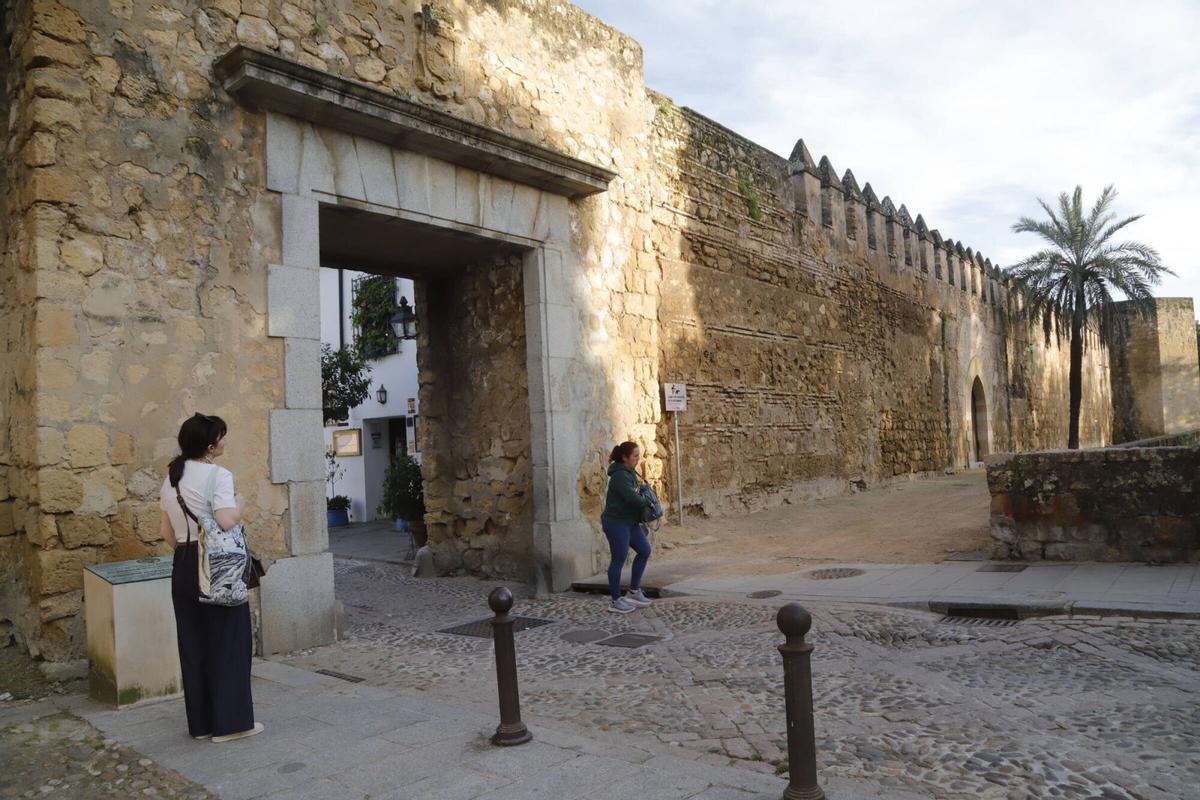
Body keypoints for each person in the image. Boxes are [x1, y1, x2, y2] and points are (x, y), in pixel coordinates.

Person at [158, 413, 262, 743]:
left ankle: (201, 725)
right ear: (209, 445)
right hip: (217, 566)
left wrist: (191, 554)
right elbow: (227, 519)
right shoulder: (219, 475)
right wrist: (240, 504)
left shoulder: (171, 478)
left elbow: (167, 532)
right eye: (221, 436)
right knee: (229, 642)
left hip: (183, 562)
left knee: (194, 645)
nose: (224, 441)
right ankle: (231, 725)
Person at [601, 441, 654, 614]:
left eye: (639, 455)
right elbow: (632, 498)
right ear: (625, 457)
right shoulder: (620, 476)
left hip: (630, 522)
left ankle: (634, 591)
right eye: (635, 456)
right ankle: (615, 600)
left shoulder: (629, 473)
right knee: (619, 558)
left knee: (644, 550)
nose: (638, 459)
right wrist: (648, 502)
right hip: (616, 523)